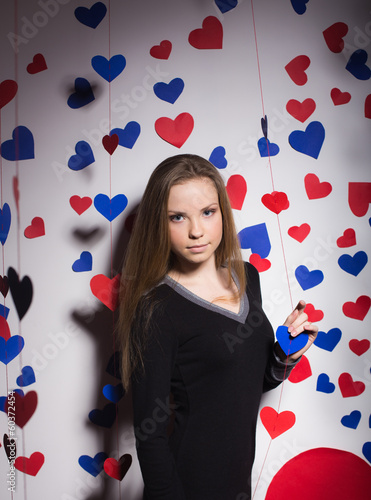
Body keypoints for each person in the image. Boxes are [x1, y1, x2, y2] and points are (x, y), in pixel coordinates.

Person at [118, 154, 318, 500]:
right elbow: (148, 434)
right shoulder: (156, 309)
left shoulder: (246, 276)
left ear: (222, 213)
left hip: (238, 483)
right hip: (187, 486)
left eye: (208, 212)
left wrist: (285, 352)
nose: (196, 230)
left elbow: (250, 381)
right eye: (177, 217)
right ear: (157, 224)